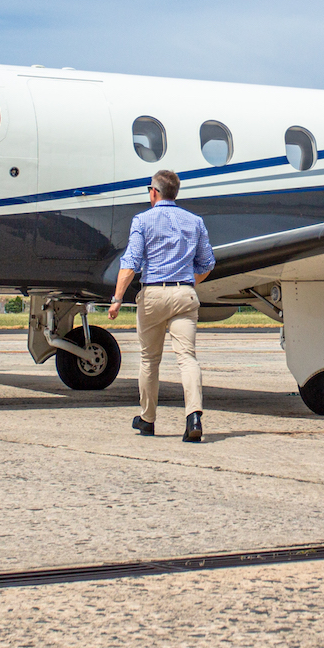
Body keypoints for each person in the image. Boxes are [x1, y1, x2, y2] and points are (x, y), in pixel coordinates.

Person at [108, 168, 215, 444]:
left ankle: (148, 419)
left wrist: (118, 298)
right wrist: (189, 282)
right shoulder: (195, 221)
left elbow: (130, 262)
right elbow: (207, 263)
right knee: (187, 357)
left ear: (154, 192)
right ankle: (193, 416)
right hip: (184, 294)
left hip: (153, 294)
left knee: (149, 360)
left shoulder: (142, 220)